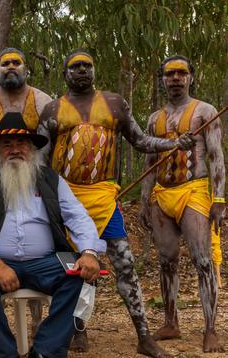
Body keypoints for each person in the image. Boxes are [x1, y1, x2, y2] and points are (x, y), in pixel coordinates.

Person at [38, 50, 195, 357]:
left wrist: (174, 143)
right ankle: (77, 330)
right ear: (65, 73)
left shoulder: (114, 103)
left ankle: (144, 336)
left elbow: (141, 140)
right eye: (75, 67)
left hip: (104, 200)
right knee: (73, 270)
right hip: (66, 203)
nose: (82, 71)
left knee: (125, 266)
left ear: (94, 70)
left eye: (87, 66)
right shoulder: (52, 110)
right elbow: (40, 162)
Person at [0, 111, 104, 358]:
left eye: (21, 143)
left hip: (45, 262)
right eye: (7, 144)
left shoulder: (50, 179)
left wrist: (89, 252)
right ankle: (4, 352)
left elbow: (78, 216)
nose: (15, 150)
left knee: (81, 277)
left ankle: (45, 351)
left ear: (32, 149)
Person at [139, 55, 224, 353]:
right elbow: (149, 160)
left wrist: (220, 199)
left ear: (190, 77)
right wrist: (144, 201)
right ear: (162, 79)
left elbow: (216, 157)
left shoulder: (205, 112)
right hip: (162, 193)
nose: (175, 78)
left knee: (202, 261)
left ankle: (210, 328)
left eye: (181, 73)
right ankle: (170, 321)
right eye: (170, 74)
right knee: (167, 259)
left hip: (195, 191)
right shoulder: (153, 119)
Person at [0, 47, 52, 167]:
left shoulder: (44, 102)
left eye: (17, 63)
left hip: (34, 177)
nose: (11, 66)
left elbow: (52, 147)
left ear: (25, 69)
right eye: (5, 64)